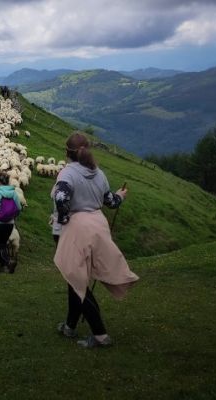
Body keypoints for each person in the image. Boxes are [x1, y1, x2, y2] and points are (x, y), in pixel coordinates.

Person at [52, 131, 139, 348]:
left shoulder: (67, 173)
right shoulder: (98, 173)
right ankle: (70, 326)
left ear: (67, 152)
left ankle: (100, 334)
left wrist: (63, 218)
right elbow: (110, 201)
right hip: (97, 227)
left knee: (77, 281)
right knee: (75, 279)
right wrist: (121, 196)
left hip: (76, 230)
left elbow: (61, 197)